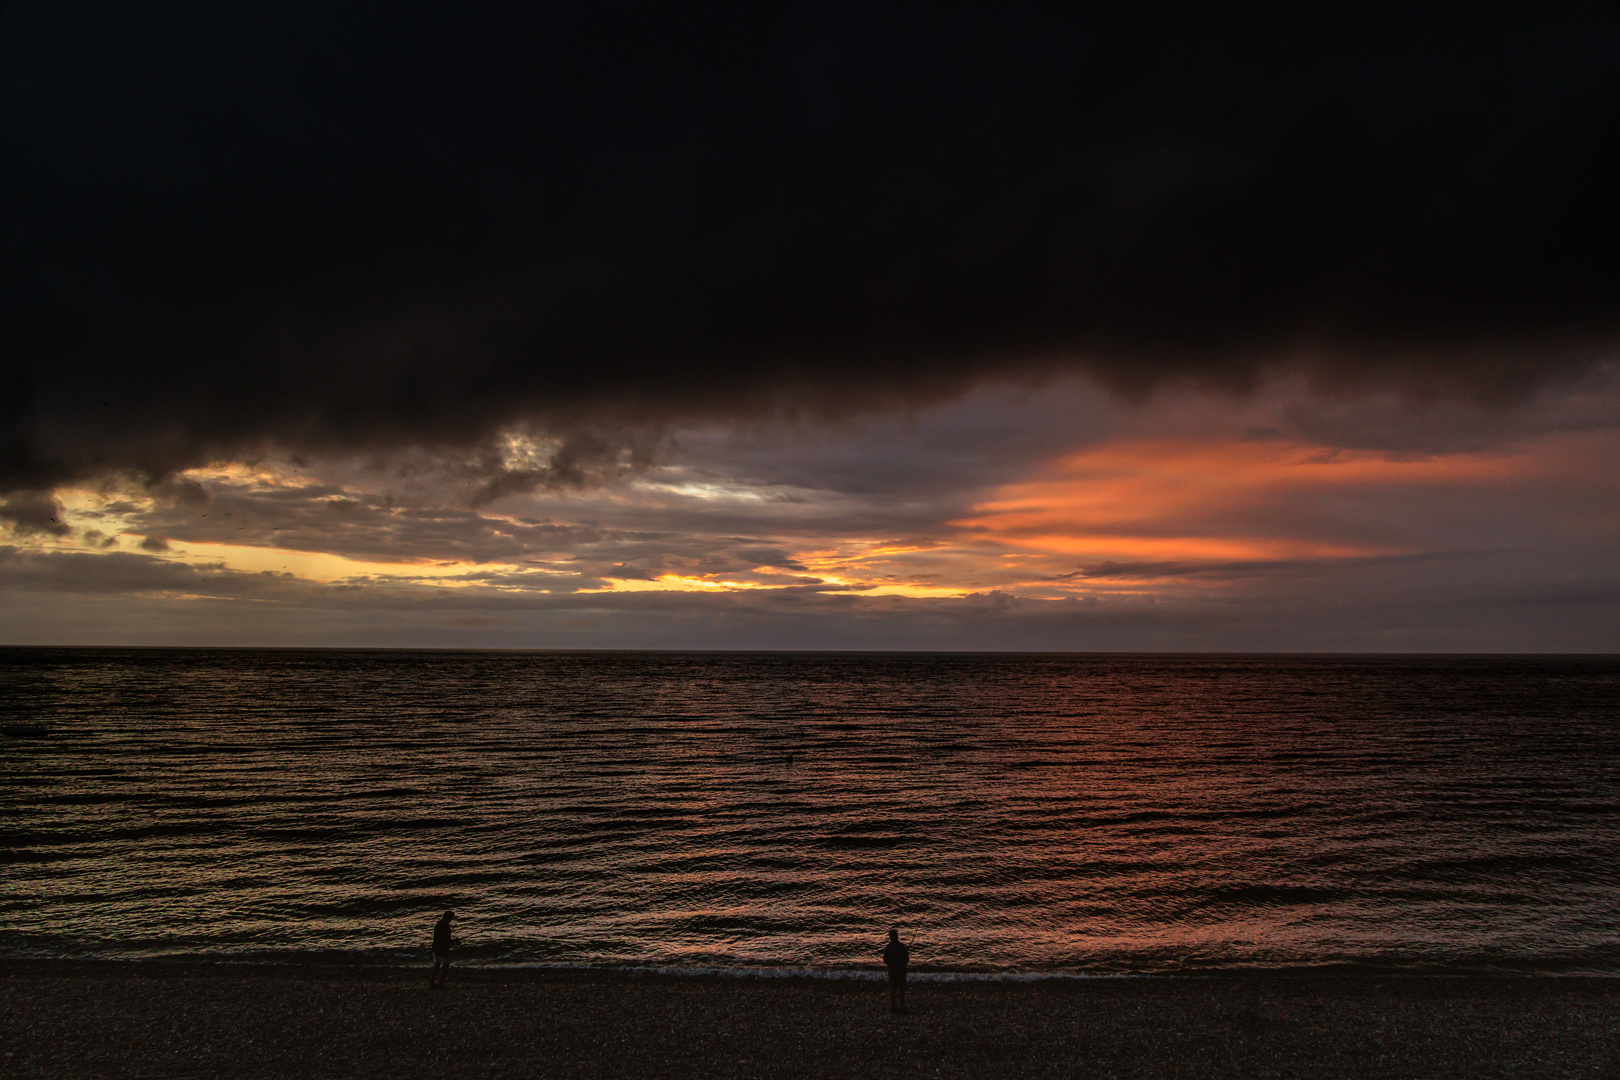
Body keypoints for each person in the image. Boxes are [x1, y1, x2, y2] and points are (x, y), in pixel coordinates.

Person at [881, 927, 910, 1015]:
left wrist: (891, 965)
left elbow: (885, 960)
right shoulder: (901, 946)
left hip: (892, 970)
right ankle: (901, 1007)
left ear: (890, 937)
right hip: (901, 970)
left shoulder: (888, 947)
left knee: (892, 988)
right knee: (901, 988)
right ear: (897, 936)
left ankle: (893, 1006)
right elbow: (906, 959)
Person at [430, 910, 454, 988]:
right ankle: (441, 983)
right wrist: (453, 942)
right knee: (445, 965)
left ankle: (432, 982)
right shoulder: (446, 927)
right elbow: (445, 939)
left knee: (437, 964)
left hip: (435, 947)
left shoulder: (438, 924)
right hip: (442, 948)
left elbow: (440, 938)